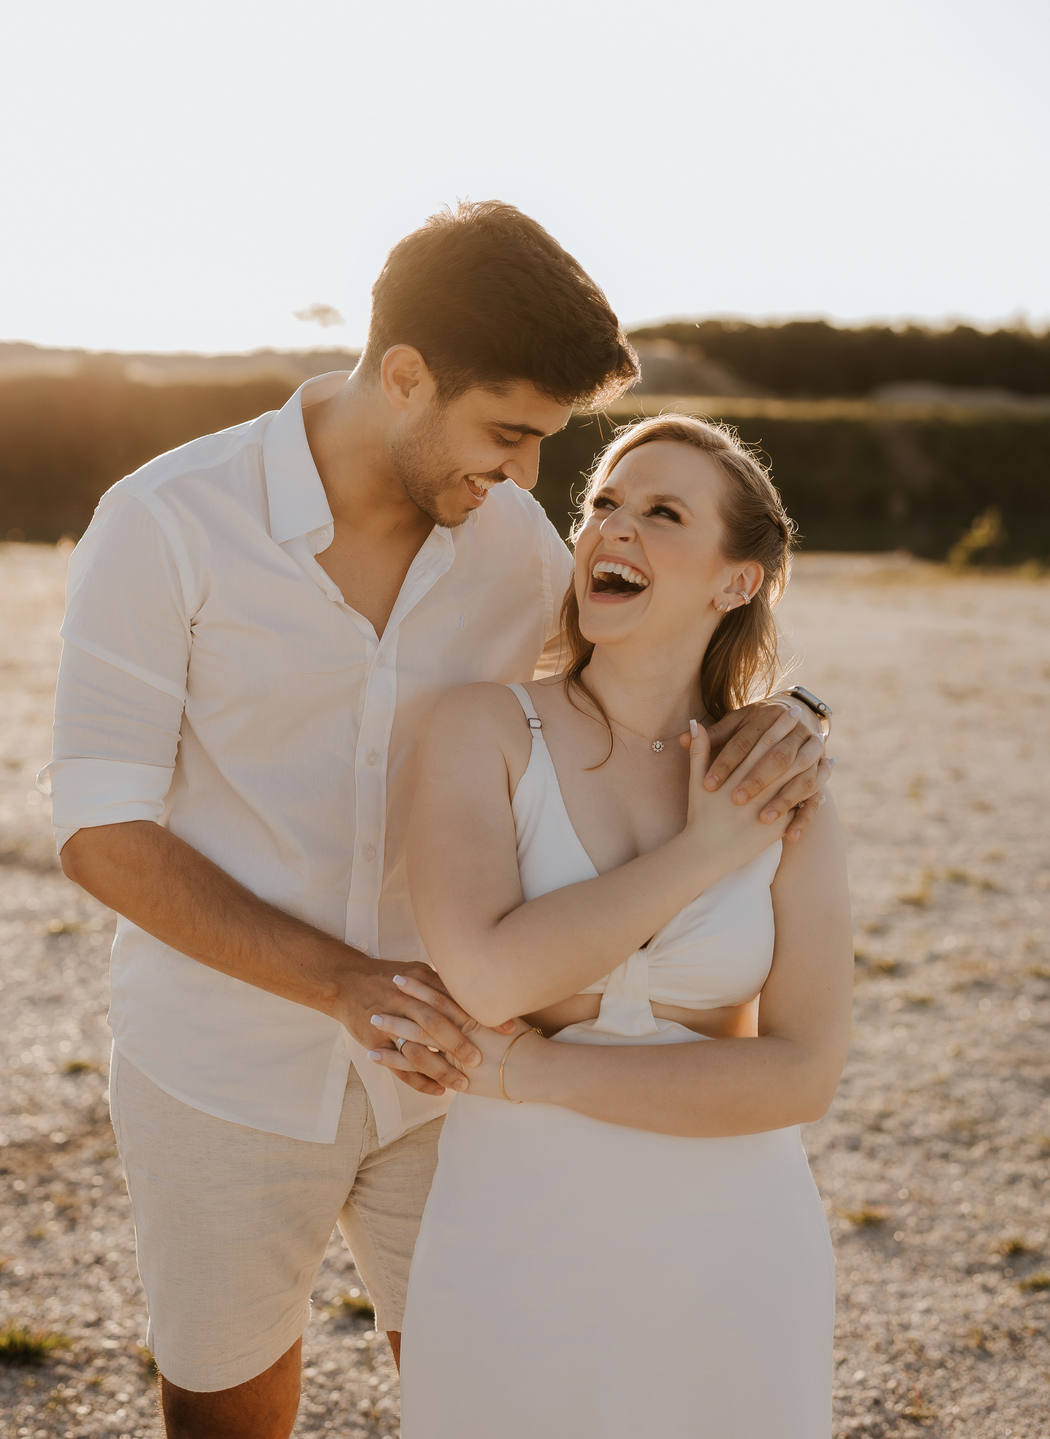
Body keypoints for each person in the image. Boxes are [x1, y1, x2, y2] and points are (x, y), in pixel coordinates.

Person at [46, 203, 830, 1439]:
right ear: (405, 376)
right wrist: (348, 984)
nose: (528, 475)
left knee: (492, 1393)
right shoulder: (168, 522)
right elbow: (100, 826)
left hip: (458, 1083)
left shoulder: (514, 547)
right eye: (510, 433)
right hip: (220, 1065)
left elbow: (642, 681)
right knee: (224, 1407)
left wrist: (784, 725)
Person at [397, 413, 851, 1438]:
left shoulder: (783, 780)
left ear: (736, 582)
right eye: (602, 503)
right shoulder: (483, 729)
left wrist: (539, 1075)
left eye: (662, 512)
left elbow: (803, 1074)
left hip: (734, 1251)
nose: (613, 529)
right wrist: (702, 852)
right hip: (518, 1234)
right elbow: (491, 979)